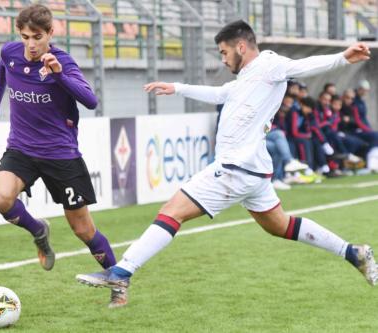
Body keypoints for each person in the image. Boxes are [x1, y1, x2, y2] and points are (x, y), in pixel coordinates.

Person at [76, 20, 378, 306]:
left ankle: (121, 273)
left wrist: (343, 58)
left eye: (224, 52)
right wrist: (178, 87)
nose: (222, 59)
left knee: (171, 212)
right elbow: (221, 93)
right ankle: (353, 253)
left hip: (236, 168)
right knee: (281, 225)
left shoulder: (270, 64)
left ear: (241, 47)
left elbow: (301, 66)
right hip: (253, 172)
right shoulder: (247, 77)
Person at [0, 4, 124, 308]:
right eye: (25, 37)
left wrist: (59, 75)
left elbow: (90, 100)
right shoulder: (11, 53)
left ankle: (118, 282)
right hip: (21, 148)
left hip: (60, 155)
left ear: (50, 33)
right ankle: (39, 231)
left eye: (37, 37)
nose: (31, 44)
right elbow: (1, 73)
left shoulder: (63, 62)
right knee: (1, 197)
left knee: (83, 229)